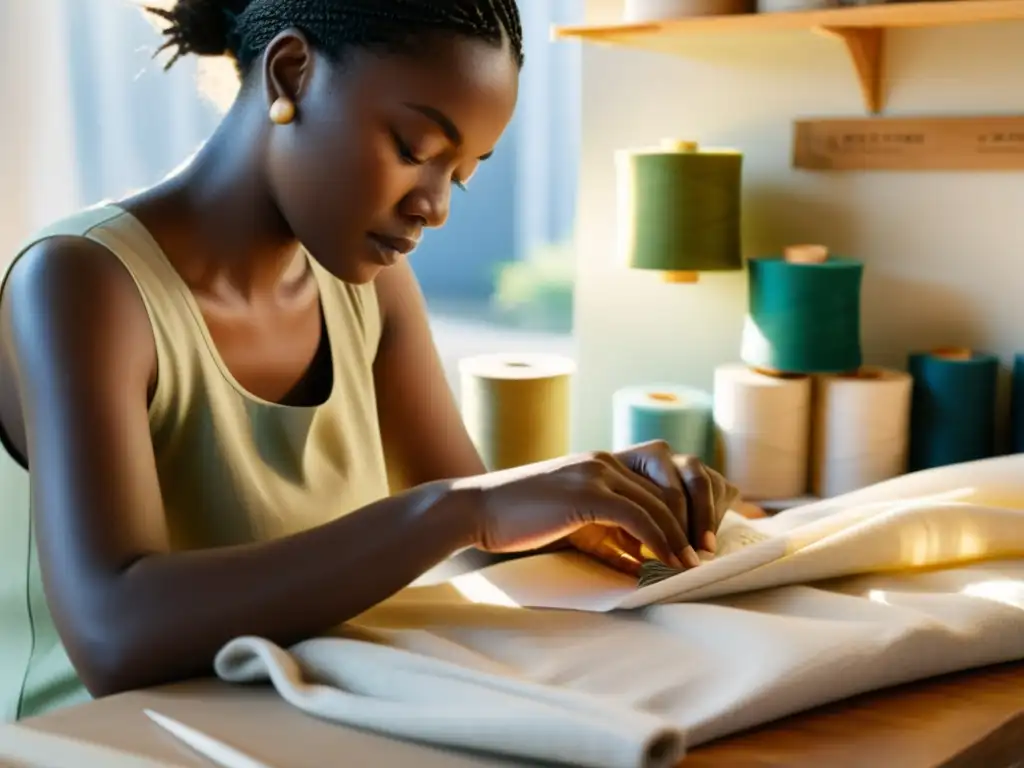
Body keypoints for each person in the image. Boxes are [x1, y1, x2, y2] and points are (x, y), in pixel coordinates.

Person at [0, 0, 738, 723]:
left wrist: (590, 503)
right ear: (291, 74)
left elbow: (478, 535)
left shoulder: (370, 291)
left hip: (300, 727)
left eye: (463, 172)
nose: (437, 206)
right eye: (416, 149)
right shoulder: (79, 284)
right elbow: (113, 636)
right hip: (96, 744)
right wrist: (469, 510)